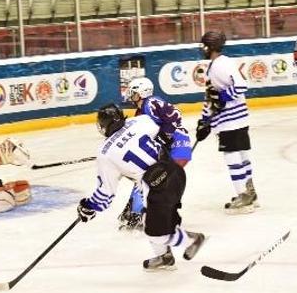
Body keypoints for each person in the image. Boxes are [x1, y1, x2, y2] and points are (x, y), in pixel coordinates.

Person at [77, 103, 205, 271]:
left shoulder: (105, 153)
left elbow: (105, 194)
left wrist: (89, 206)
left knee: (155, 232)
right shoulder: (141, 121)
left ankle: (192, 240)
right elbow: (168, 126)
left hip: (159, 187)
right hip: (175, 172)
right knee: (149, 219)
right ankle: (164, 257)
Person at [195, 31, 259, 214]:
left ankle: (244, 197)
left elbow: (240, 86)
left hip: (229, 121)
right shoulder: (223, 62)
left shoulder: (218, 66)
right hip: (239, 119)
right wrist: (204, 120)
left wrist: (222, 98)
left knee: (233, 158)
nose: (202, 49)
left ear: (210, 47)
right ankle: (250, 194)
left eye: (204, 46)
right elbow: (212, 98)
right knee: (243, 157)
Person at [117, 77, 193, 231]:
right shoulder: (141, 110)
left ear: (142, 92)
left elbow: (175, 116)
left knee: (156, 179)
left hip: (178, 144)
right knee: (153, 178)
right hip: (172, 146)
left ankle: (144, 214)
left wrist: (164, 136)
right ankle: (138, 211)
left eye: (134, 93)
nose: (132, 96)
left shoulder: (151, 103)